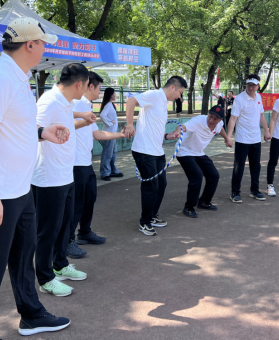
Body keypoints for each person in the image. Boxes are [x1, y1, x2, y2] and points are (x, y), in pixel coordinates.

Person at [0, 17, 71, 338]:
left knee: (24, 255)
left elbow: (12, 125)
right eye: (43, 43)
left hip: (19, 190)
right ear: (30, 45)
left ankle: (31, 314)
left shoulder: (18, 76)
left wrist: (43, 131)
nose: (45, 49)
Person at [32, 63, 90, 298]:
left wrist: (83, 118)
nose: (86, 90)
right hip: (48, 178)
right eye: (87, 85)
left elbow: (64, 125)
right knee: (48, 230)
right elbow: (33, 129)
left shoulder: (66, 103)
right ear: (79, 84)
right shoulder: (49, 101)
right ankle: (45, 278)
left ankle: (60, 264)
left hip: (65, 175)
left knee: (65, 225)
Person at [68, 72, 127, 255]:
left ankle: (84, 232)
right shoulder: (76, 104)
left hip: (86, 162)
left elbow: (98, 134)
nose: (100, 92)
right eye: (99, 88)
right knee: (77, 203)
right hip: (75, 163)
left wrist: (121, 134)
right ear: (90, 86)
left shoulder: (86, 106)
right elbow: (65, 123)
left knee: (90, 198)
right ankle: (68, 240)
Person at [125, 76, 188, 236]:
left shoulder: (163, 102)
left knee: (161, 184)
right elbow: (131, 101)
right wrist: (130, 124)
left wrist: (167, 136)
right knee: (151, 186)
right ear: (173, 87)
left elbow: (155, 127)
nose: (179, 96)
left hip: (157, 151)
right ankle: (144, 222)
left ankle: (152, 216)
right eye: (180, 92)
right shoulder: (154, 94)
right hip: (144, 150)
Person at [166, 105, 233, 217]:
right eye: (210, 116)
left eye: (215, 119)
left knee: (214, 175)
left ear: (220, 119)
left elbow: (220, 128)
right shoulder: (198, 121)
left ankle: (204, 202)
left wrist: (227, 139)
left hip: (198, 152)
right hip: (184, 151)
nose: (211, 120)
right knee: (197, 176)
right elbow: (182, 127)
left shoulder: (219, 123)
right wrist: (177, 132)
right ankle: (189, 207)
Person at [227, 74, 271, 202]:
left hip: (256, 138)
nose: (251, 88)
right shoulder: (239, 99)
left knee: (256, 166)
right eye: (249, 85)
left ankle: (255, 190)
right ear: (246, 85)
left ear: (258, 86)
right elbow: (233, 118)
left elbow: (261, 115)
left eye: (254, 85)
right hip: (242, 139)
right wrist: (229, 137)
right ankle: (235, 192)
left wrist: (267, 131)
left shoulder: (259, 97)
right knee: (239, 167)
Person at [99, 87, 124, 181]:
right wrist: (109, 123)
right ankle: (105, 173)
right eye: (114, 93)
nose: (115, 95)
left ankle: (113, 171)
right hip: (108, 134)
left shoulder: (110, 104)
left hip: (112, 134)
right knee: (107, 154)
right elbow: (102, 115)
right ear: (110, 95)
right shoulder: (108, 105)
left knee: (113, 153)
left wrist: (110, 122)